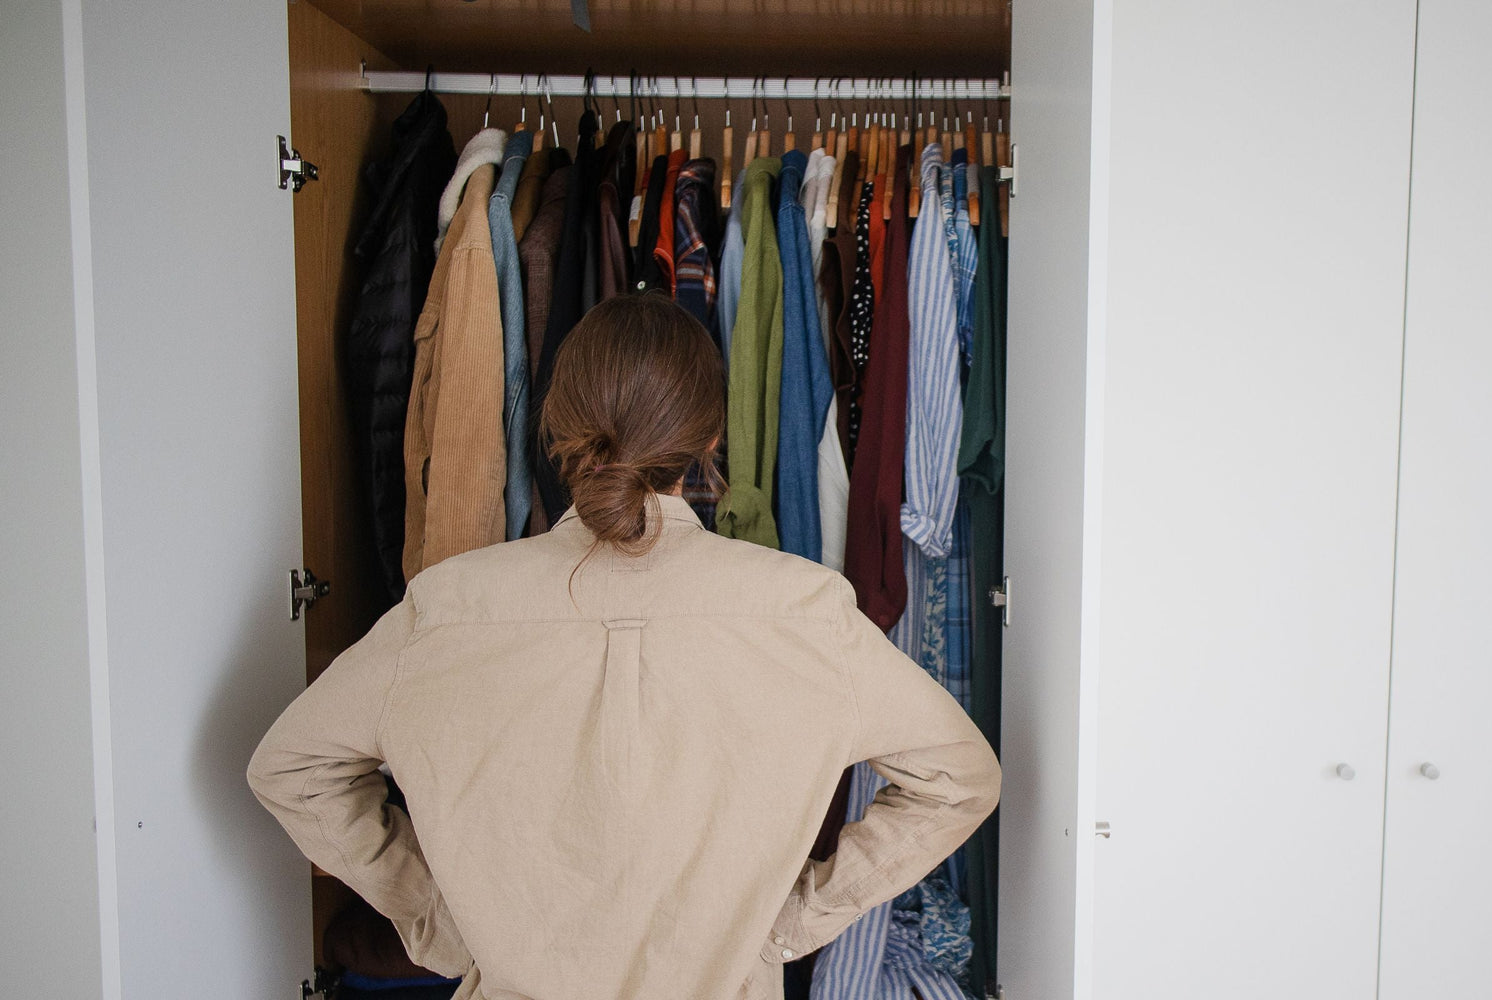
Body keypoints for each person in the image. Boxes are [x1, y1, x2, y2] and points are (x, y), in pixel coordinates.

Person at [247, 294, 1000, 1000]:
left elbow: (292, 768)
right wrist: (786, 925)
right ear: (709, 437)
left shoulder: (445, 608)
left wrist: (438, 920)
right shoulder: (804, 611)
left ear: (558, 426)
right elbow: (960, 779)